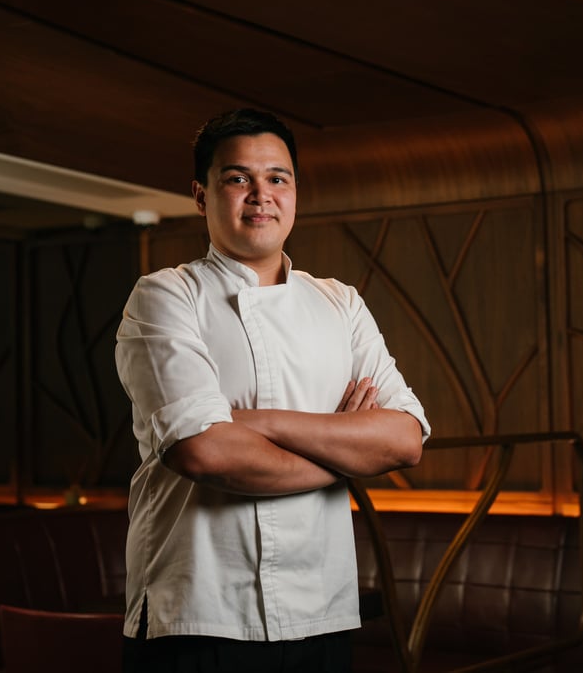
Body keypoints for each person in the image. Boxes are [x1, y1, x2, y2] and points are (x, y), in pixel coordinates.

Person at [115, 108, 430, 672]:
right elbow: (205, 453)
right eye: (237, 178)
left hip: (321, 612)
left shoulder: (341, 303)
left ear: (294, 192)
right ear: (200, 195)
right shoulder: (164, 297)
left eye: (277, 178)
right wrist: (347, 453)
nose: (260, 195)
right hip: (195, 614)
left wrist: (254, 421)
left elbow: (404, 439)